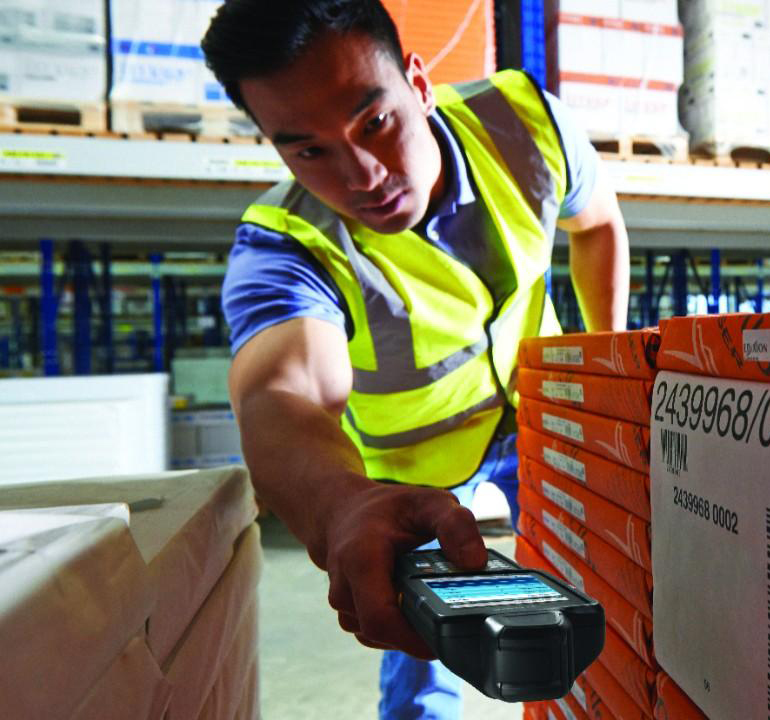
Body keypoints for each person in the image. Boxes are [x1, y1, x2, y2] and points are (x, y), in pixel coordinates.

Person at [201, 2, 630, 717]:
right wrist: (343, 507)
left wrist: (609, 362)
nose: (362, 173)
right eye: (309, 151)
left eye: (375, 122)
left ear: (420, 84)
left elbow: (598, 225)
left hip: (544, 426)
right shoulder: (285, 245)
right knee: (421, 650)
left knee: (599, 606)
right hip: (410, 481)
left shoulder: (525, 124)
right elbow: (283, 395)